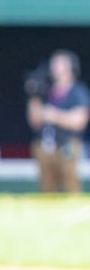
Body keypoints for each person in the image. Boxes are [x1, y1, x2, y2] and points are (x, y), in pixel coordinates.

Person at [29, 48, 89, 194]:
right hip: (46, 144)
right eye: (54, 64)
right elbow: (34, 121)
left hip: (68, 143)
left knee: (70, 182)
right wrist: (33, 95)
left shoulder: (78, 91)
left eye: (60, 64)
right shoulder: (45, 91)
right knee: (47, 184)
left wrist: (55, 116)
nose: (54, 67)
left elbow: (80, 120)